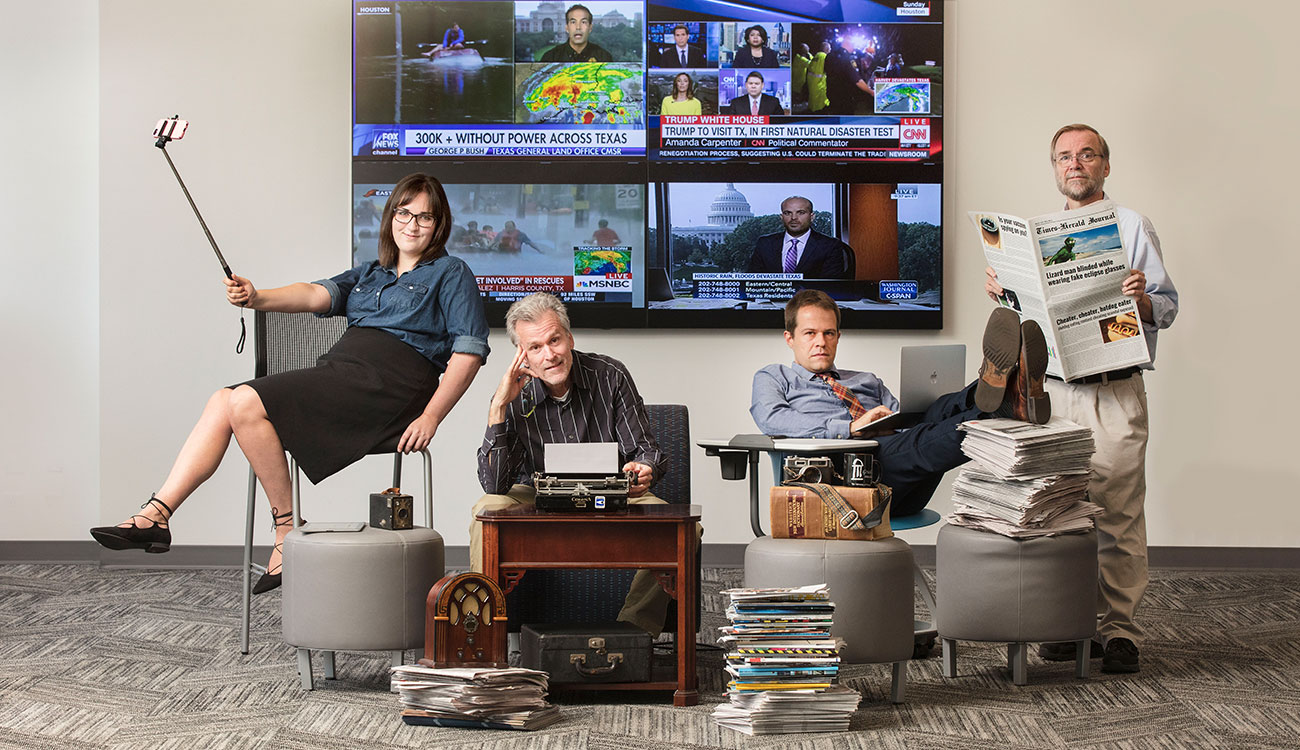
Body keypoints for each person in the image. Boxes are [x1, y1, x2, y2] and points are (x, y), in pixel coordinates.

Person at [90, 174, 490, 595]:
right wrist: (256, 296)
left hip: (391, 388)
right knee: (226, 400)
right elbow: (314, 293)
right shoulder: (372, 273)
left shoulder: (451, 272)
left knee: (242, 399)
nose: (412, 224)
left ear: (439, 223)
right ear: (391, 217)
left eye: (424, 217)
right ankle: (158, 516)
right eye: (404, 213)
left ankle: (283, 531)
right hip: (343, 373)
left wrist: (432, 416)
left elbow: (469, 351)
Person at [986, 124, 1178, 674]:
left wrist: (1142, 298)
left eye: (1086, 154)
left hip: (1113, 391)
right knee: (1057, 514)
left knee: (1117, 515)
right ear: (1054, 168)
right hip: (1051, 396)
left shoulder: (1131, 225)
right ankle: (1071, 626)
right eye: (1064, 157)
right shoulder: (1036, 234)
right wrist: (1006, 294)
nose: (1075, 164)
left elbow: (1167, 307)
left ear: (1104, 166)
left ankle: (1118, 632)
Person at [470, 293, 675, 635]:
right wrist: (498, 408)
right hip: (540, 496)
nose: (549, 355)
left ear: (570, 338)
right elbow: (494, 485)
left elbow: (646, 450)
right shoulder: (514, 395)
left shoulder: (610, 375)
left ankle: (633, 633)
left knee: (680, 528)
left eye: (554, 340)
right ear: (522, 355)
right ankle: (486, 633)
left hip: (611, 493)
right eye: (535, 347)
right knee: (486, 509)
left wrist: (645, 469)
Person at [751, 290, 1049, 518]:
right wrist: (850, 428)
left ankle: (999, 388)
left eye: (829, 333)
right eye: (810, 333)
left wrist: (895, 420)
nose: (821, 342)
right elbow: (772, 418)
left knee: (936, 411)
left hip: (904, 478)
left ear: (839, 336)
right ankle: (1008, 400)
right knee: (918, 438)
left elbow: (905, 428)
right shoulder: (775, 377)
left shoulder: (866, 380)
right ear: (789, 338)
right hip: (847, 487)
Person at [745, 196, 851, 278]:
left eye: (801, 213)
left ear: (812, 217)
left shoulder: (830, 245)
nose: (794, 218)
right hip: (770, 303)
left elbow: (831, 286)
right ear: (781, 217)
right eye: (788, 213)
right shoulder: (765, 243)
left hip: (812, 303)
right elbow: (752, 282)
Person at [539, 4, 612, 63]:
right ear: (567, 28)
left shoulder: (603, 57)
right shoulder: (550, 58)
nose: (578, 27)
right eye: (573, 22)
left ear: (590, 28)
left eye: (583, 22)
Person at [825, 36, 872, 115]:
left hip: (831, 93)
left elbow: (826, 71)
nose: (854, 49)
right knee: (846, 116)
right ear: (848, 45)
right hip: (844, 96)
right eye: (853, 46)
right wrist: (871, 91)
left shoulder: (829, 56)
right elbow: (857, 80)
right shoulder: (848, 59)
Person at [806, 41, 830, 113]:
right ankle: (818, 112)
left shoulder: (817, 55)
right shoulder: (824, 56)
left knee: (812, 97)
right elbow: (828, 68)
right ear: (826, 49)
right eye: (829, 48)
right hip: (819, 82)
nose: (830, 50)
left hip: (811, 80)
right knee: (819, 100)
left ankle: (812, 110)